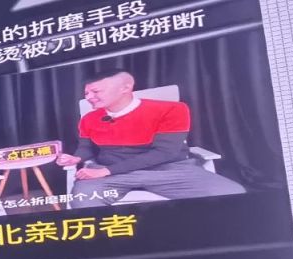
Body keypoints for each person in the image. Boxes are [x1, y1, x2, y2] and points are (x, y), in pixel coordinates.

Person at [59, 71, 245, 206]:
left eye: (96, 92)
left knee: (232, 194)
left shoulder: (172, 109)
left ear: (125, 87)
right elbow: (86, 148)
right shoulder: (89, 118)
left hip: (168, 170)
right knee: (83, 200)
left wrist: (106, 171)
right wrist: (76, 158)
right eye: (86, 93)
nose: (89, 97)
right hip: (110, 175)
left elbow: (165, 153)